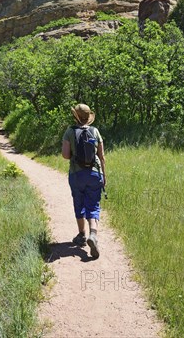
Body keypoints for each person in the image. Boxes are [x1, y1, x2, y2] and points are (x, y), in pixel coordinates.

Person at [62, 103, 106, 259]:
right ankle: (93, 234)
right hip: (94, 173)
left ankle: (81, 235)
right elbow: (101, 157)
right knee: (93, 204)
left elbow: (66, 155)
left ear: (75, 116)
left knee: (79, 203)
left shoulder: (70, 131)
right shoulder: (95, 131)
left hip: (76, 173)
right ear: (88, 117)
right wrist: (104, 176)